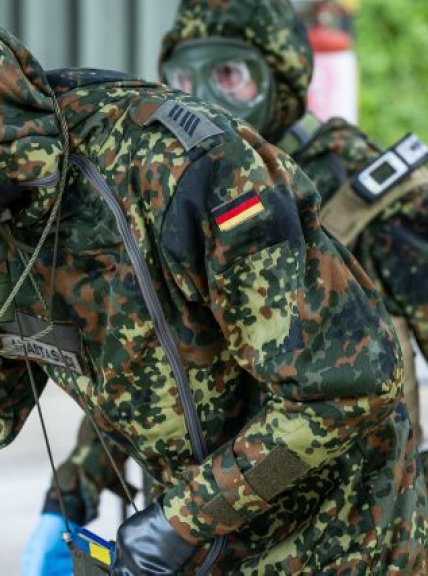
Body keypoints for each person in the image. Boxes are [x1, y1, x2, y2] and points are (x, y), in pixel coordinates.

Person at [0, 8, 427, 574]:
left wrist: (186, 519)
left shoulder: (184, 173)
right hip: (202, 539)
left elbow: (347, 389)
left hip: (345, 538)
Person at [25, 2, 428, 572]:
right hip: (201, 532)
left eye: (231, 75)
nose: (209, 97)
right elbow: (138, 367)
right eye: (186, 79)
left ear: (282, 78)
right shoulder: (174, 195)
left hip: (350, 536)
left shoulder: (369, 199)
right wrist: (72, 491)